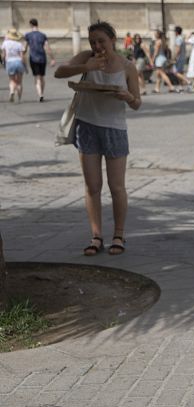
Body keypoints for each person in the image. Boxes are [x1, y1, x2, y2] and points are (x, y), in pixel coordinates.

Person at [54, 21, 141, 256]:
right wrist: (86, 65)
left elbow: (137, 103)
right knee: (92, 186)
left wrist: (126, 96)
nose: (97, 45)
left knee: (116, 187)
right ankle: (96, 236)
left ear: (113, 40)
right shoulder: (87, 57)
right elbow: (59, 72)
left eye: (101, 41)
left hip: (114, 129)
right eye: (93, 41)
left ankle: (119, 235)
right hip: (87, 126)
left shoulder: (127, 66)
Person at [24, 19, 56, 102]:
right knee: (42, 76)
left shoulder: (28, 35)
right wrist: (52, 58)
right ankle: (42, 92)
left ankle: (40, 94)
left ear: (31, 25)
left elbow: (25, 48)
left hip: (33, 58)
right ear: (37, 24)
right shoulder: (43, 35)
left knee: (37, 77)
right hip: (42, 58)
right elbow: (47, 48)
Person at [2, 29, 26, 103]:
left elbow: (4, 55)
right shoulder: (19, 44)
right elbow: (22, 56)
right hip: (18, 62)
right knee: (19, 82)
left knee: (12, 80)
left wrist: (3, 62)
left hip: (9, 62)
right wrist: (25, 65)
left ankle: (12, 91)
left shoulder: (5, 43)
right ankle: (19, 98)